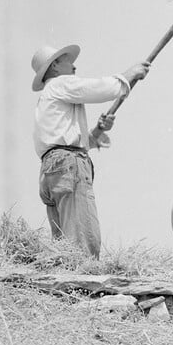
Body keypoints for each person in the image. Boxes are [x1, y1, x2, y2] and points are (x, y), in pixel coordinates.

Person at [31, 43, 150, 258]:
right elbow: (96, 88)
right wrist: (126, 77)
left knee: (64, 244)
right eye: (68, 60)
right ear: (55, 66)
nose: (74, 65)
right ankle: (85, 279)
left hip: (51, 169)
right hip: (68, 165)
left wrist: (96, 132)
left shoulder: (48, 97)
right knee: (83, 240)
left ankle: (68, 281)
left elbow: (65, 138)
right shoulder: (60, 83)